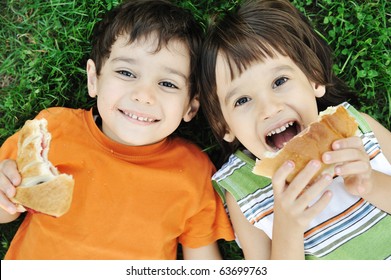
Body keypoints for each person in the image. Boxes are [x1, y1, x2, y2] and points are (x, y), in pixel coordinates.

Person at [0, 0, 234, 260]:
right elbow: (6, 210)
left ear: (190, 107)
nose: (144, 95)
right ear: (93, 79)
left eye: (168, 83)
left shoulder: (195, 172)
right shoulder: (52, 130)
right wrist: (5, 190)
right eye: (126, 72)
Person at [199, 0, 391, 259]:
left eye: (279, 81)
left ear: (313, 79)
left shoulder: (359, 128)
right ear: (224, 125)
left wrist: (370, 183)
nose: (269, 108)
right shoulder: (244, 192)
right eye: (242, 100)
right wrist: (288, 228)